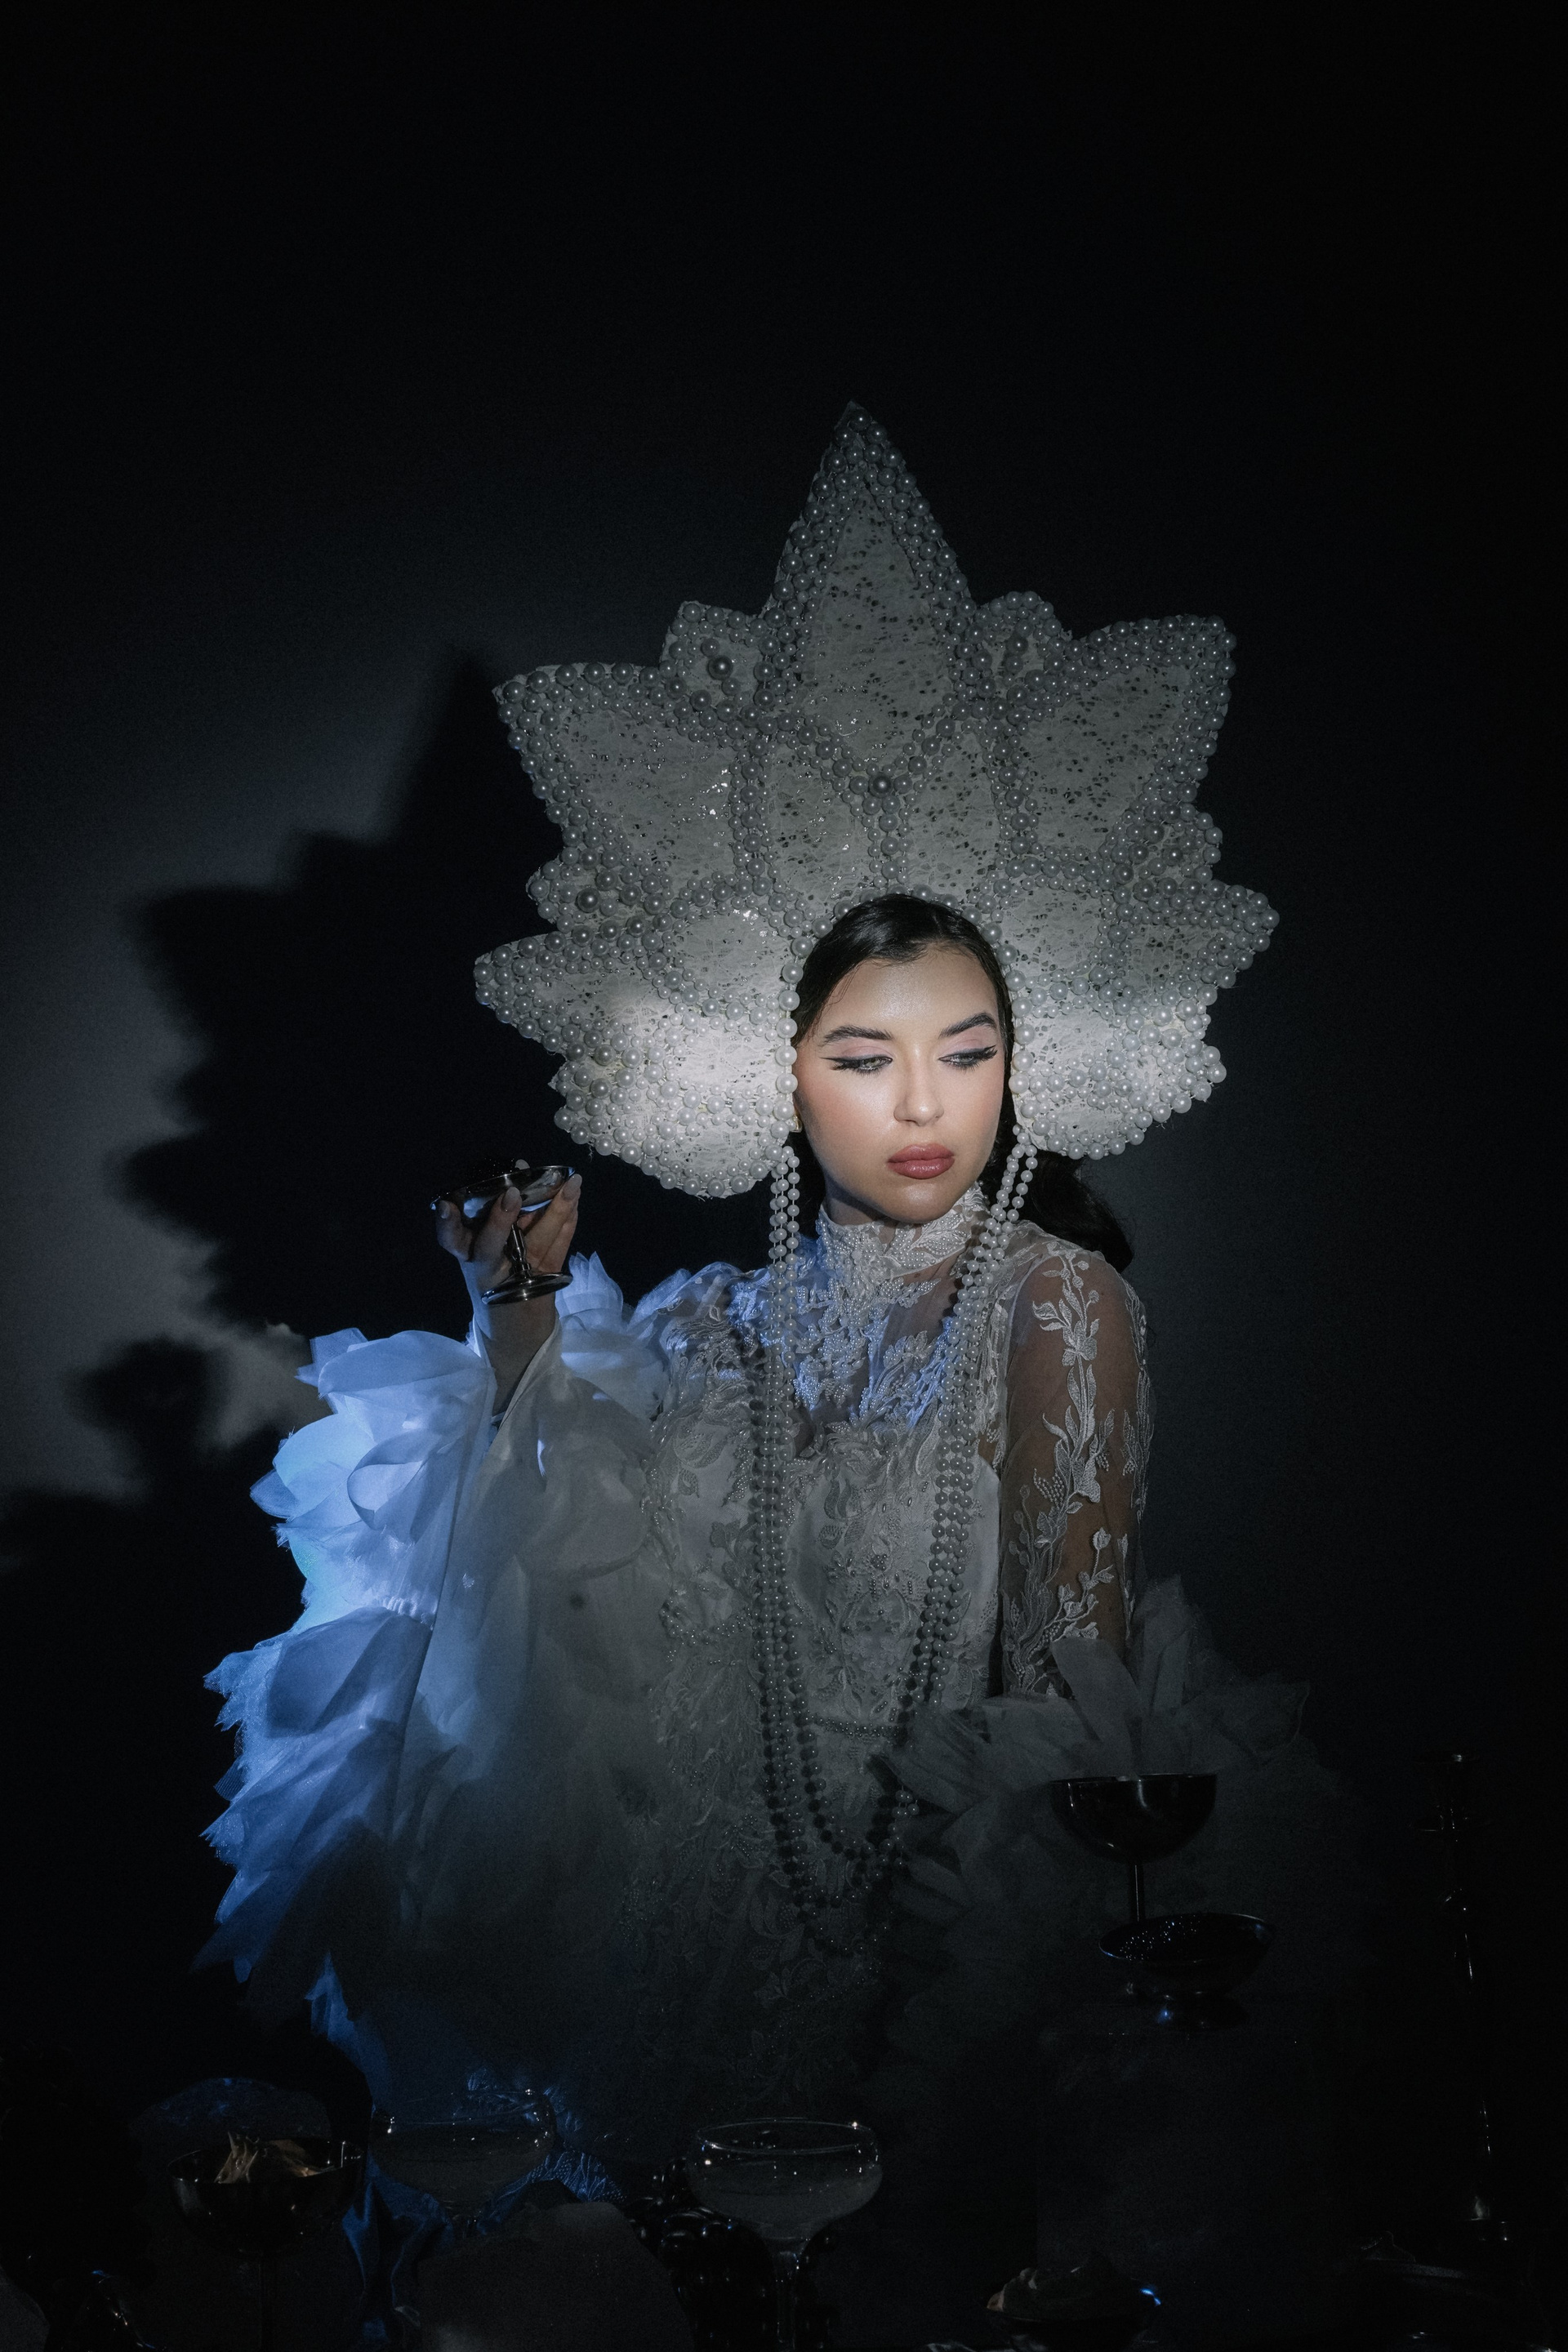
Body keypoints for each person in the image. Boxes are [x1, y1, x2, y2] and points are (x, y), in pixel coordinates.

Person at [202, 412, 1326, 2228]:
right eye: (865, 1057)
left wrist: (1003, 2057)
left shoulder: (1057, 1308)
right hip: (669, 1987)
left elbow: (1078, 1717)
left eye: (968, 1052)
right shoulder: (711, 1323)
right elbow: (547, 1634)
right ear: (783, 1077)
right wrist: (516, 1322)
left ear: (1022, 1067)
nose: (923, 1106)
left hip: (927, 1977)